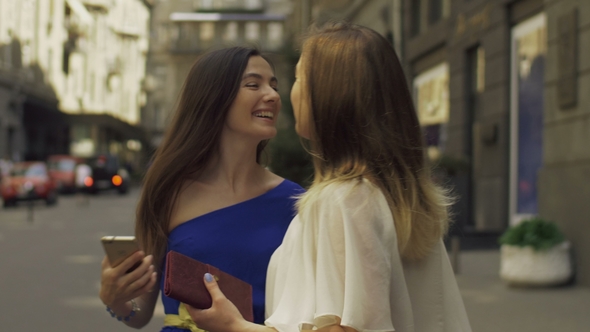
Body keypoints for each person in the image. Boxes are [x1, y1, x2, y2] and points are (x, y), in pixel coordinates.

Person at [187, 22, 472, 332]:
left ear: (330, 94)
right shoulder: (403, 199)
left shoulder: (344, 200)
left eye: (297, 78)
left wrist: (234, 326)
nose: (282, 94)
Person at [99, 46, 304, 331]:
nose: (272, 95)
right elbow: (139, 313)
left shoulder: (298, 203)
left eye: (274, 85)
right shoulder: (167, 192)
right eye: (253, 84)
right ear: (214, 98)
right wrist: (116, 299)